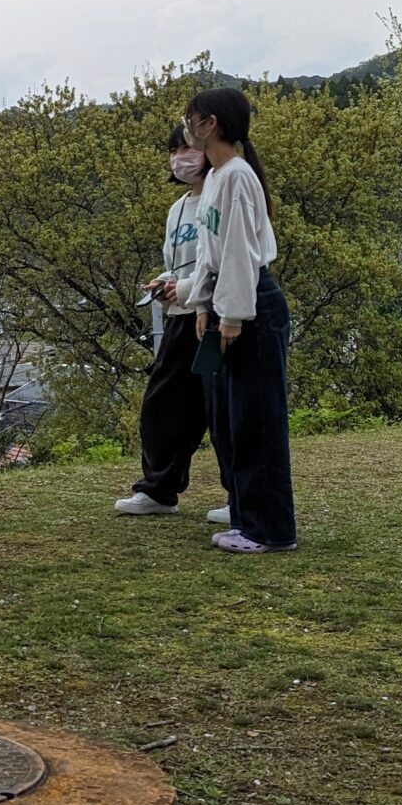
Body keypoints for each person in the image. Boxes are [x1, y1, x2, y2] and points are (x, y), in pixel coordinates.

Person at [178, 84, 296, 554]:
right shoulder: (219, 179)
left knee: (258, 419)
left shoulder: (238, 177)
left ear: (212, 124)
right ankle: (249, 522)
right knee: (233, 420)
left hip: (253, 308)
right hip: (232, 307)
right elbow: (212, 255)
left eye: (192, 118)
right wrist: (204, 306)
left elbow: (242, 255)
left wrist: (232, 315)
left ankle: (271, 531)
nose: (188, 127)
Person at [114, 128, 229, 520]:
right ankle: (159, 490)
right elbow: (180, 263)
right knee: (160, 408)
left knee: (222, 410)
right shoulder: (178, 206)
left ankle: (241, 495)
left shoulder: (222, 196)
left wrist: (191, 289)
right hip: (181, 320)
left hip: (215, 316)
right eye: (173, 150)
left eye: (188, 147)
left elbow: (221, 262)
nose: (180, 157)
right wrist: (166, 283)